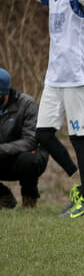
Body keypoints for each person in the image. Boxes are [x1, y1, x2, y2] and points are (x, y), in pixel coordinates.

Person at [2, 0, 84, 218]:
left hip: (77, 78)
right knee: (43, 133)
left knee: (81, 138)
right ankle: (73, 173)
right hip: (54, 79)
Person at [0, 69, 46, 209]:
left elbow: (31, 140)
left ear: (4, 93)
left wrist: (2, 149)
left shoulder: (27, 104)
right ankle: (3, 196)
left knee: (29, 159)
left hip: (23, 157)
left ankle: (29, 198)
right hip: (2, 157)